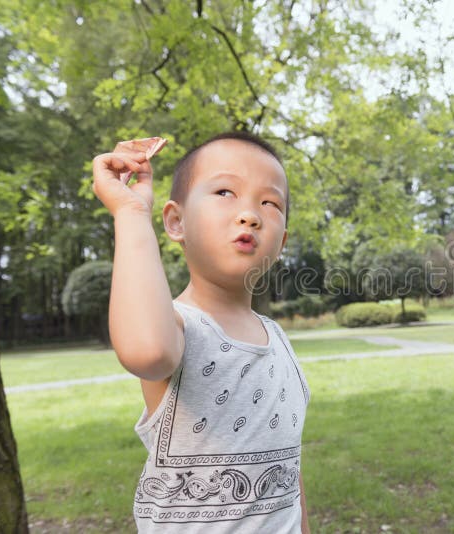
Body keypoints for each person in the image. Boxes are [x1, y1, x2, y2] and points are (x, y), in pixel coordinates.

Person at [91, 131, 311, 533]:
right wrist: (130, 213)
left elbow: (288, 474)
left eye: (269, 202)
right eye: (225, 192)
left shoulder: (279, 340)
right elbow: (147, 350)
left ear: (282, 243)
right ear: (176, 221)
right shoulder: (178, 328)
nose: (250, 214)